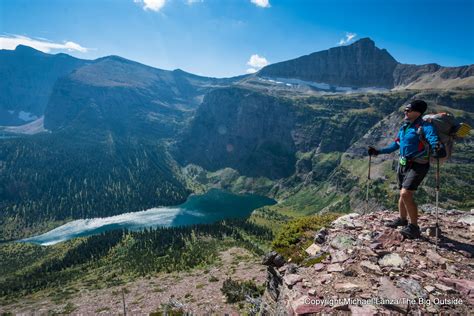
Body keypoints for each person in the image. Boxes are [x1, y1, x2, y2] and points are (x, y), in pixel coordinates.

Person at [368, 100, 446, 239]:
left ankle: (414, 227)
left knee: (406, 194)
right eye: (405, 109)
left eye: (408, 109)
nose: (405, 111)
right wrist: (378, 151)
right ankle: (402, 220)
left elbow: (432, 138)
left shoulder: (425, 126)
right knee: (402, 193)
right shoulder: (405, 127)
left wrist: (436, 147)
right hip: (403, 164)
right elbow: (396, 145)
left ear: (417, 112)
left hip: (418, 165)